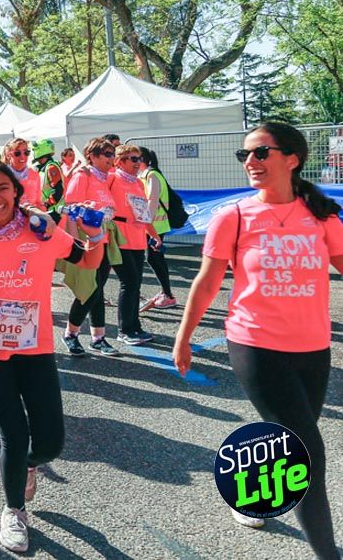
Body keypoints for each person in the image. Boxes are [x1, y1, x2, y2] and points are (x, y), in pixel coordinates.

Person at [174, 122, 343, 559]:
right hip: (256, 345)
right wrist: (184, 336)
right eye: (245, 155)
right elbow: (208, 281)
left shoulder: (322, 216)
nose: (251, 161)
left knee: (289, 437)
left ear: (292, 158)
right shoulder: (233, 216)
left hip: (313, 348)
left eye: (261, 153)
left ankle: (250, 496)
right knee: (309, 451)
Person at [0, 160, 103, 552]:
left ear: (17, 191)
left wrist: (96, 231)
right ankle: (13, 511)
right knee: (13, 433)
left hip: (34, 347)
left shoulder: (39, 229)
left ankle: (29, 463)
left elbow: (88, 260)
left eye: (3, 188)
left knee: (51, 442)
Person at [61, 138, 121, 357]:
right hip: (87, 242)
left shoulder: (102, 177)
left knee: (99, 290)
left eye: (112, 154)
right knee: (89, 290)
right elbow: (70, 209)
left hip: (102, 239)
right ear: (92, 156)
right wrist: (76, 243)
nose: (111, 158)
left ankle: (98, 338)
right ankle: (70, 333)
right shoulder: (83, 175)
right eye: (106, 154)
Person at [108, 144, 158, 345]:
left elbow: (143, 213)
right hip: (120, 237)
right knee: (128, 283)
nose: (138, 162)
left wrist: (154, 235)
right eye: (133, 159)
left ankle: (134, 326)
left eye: (139, 158)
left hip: (138, 239)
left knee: (135, 284)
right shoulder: (112, 178)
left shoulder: (138, 182)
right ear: (120, 161)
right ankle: (124, 329)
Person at [138, 147, 177, 312]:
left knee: (155, 259)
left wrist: (147, 225)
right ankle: (166, 294)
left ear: (141, 160)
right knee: (154, 259)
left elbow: (152, 202)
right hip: (153, 225)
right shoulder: (147, 175)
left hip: (155, 226)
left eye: (134, 158)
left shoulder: (151, 175)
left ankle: (168, 295)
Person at [4, 138, 42, 209]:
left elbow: (38, 202)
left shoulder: (34, 174)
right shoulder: (3, 175)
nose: (23, 156)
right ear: (8, 155)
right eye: (17, 153)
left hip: (31, 217)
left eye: (26, 152)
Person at [30, 138, 65, 216]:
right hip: (47, 209)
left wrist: (47, 204)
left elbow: (58, 190)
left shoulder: (51, 167)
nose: (33, 153)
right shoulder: (41, 167)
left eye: (34, 150)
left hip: (54, 211)